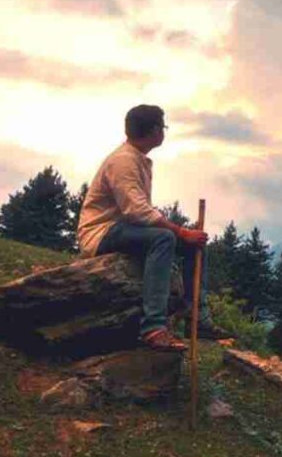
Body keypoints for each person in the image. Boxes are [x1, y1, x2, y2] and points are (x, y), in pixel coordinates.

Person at [77, 104, 211, 351]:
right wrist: (180, 231)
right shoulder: (124, 161)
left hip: (122, 228)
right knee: (164, 239)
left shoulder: (135, 158)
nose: (164, 132)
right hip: (101, 232)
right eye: (163, 126)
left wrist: (186, 236)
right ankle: (153, 327)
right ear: (154, 131)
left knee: (194, 245)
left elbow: (137, 212)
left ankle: (198, 319)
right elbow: (136, 211)